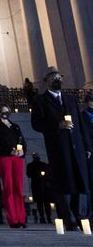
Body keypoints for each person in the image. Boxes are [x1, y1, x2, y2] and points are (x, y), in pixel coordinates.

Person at [31, 68, 91, 231]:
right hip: (59, 147)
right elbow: (36, 124)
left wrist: (87, 146)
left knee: (81, 181)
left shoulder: (70, 99)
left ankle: (82, 217)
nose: (58, 80)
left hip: (76, 146)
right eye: (54, 77)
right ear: (47, 81)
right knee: (65, 182)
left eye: (59, 77)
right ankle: (69, 218)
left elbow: (80, 123)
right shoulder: (40, 101)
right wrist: (56, 125)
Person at [0, 105, 27, 228]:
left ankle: (21, 218)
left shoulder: (15, 126)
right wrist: (9, 150)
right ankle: (13, 219)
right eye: (3, 111)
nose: (6, 113)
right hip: (5, 158)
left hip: (17, 158)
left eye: (7, 111)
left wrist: (22, 151)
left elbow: (22, 141)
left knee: (19, 189)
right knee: (8, 188)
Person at [25, 153, 51, 223]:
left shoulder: (39, 165)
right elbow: (29, 174)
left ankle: (45, 217)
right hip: (39, 185)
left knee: (44, 203)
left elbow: (29, 174)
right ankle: (44, 217)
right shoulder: (33, 165)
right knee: (43, 203)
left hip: (41, 185)